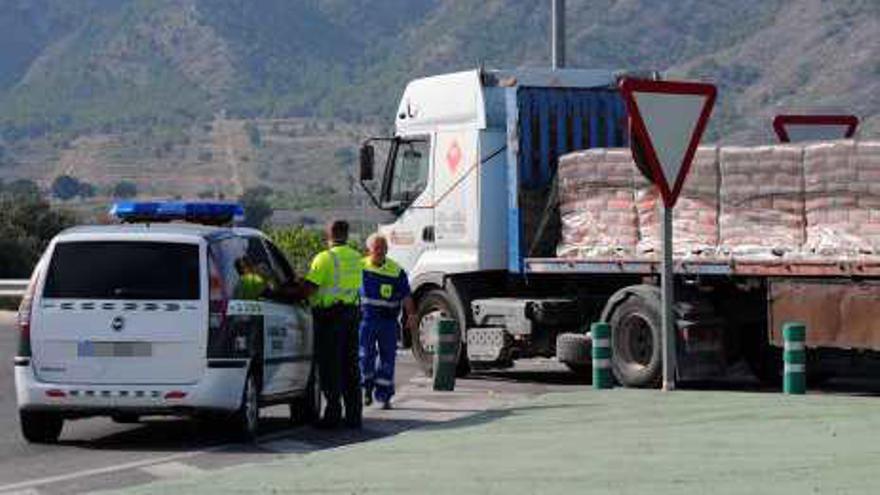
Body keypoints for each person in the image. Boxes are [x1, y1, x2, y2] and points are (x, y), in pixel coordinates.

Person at [302, 220, 364, 428]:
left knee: (330, 367)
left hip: (330, 318)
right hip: (352, 315)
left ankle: (333, 415)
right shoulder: (357, 257)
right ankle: (354, 416)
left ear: (329, 234)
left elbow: (309, 288)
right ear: (346, 234)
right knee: (351, 366)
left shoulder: (324, 258)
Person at [359, 233, 417, 409]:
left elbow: (406, 295)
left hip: (389, 323)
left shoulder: (396, 270)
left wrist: (412, 315)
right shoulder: (359, 267)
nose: (380, 251)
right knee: (365, 357)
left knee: (388, 360)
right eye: (377, 248)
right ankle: (366, 389)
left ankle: (384, 396)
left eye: (383, 248)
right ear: (369, 250)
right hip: (366, 321)